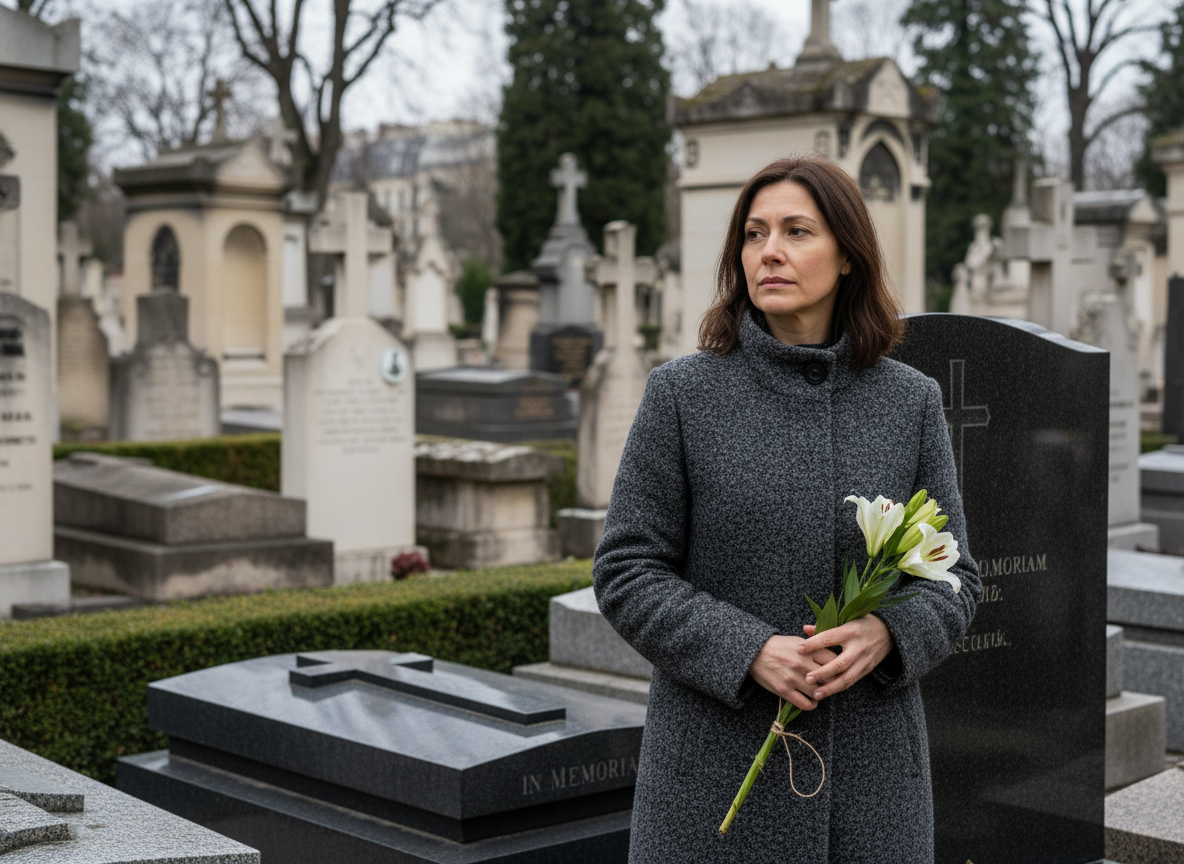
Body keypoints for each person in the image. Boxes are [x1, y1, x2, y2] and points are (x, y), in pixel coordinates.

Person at [592, 156, 980, 863]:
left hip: (873, 788)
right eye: (753, 233)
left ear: (848, 259)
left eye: (796, 231)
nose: (767, 251)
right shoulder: (682, 396)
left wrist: (889, 634)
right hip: (710, 779)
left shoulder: (910, 402)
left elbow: (956, 580)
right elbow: (625, 570)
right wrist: (748, 652)